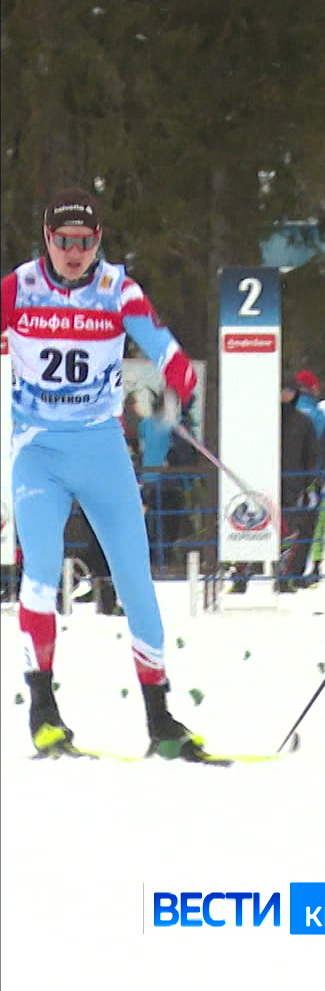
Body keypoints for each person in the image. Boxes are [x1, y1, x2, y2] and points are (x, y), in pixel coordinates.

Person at [4, 188, 211, 760]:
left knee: (137, 583)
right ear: (46, 239)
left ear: (100, 242)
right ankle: (43, 714)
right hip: (39, 452)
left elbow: (161, 344)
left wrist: (177, 378)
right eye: (64, 242)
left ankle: (160, 719)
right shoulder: (18, 288)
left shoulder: (117, 287)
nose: (74, 253)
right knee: (42, 574)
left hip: (101, 450)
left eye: (85, 242)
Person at [278, 376, 321, 591]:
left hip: (295, 485)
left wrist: (311, 483)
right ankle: (243, 574)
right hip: (268, 485)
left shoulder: (303, 422)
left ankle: (289, 576)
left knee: (295, 530)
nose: (285, 395)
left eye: (289, 390)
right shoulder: (266, 419)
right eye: (282, 389)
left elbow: (312, 455)